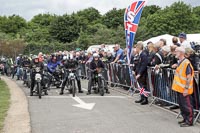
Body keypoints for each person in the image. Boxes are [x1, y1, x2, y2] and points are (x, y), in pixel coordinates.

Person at [172, 47, 194, 127]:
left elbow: (188, 77)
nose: (175, 53)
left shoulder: (186, 63)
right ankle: (185, 119)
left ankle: (189, 121)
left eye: (176, 51)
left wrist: (186, 89)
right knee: (182, 105)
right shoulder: (181, 62)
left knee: (187, 105)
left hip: (184, 89)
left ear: (181, 53)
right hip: (179, 88)